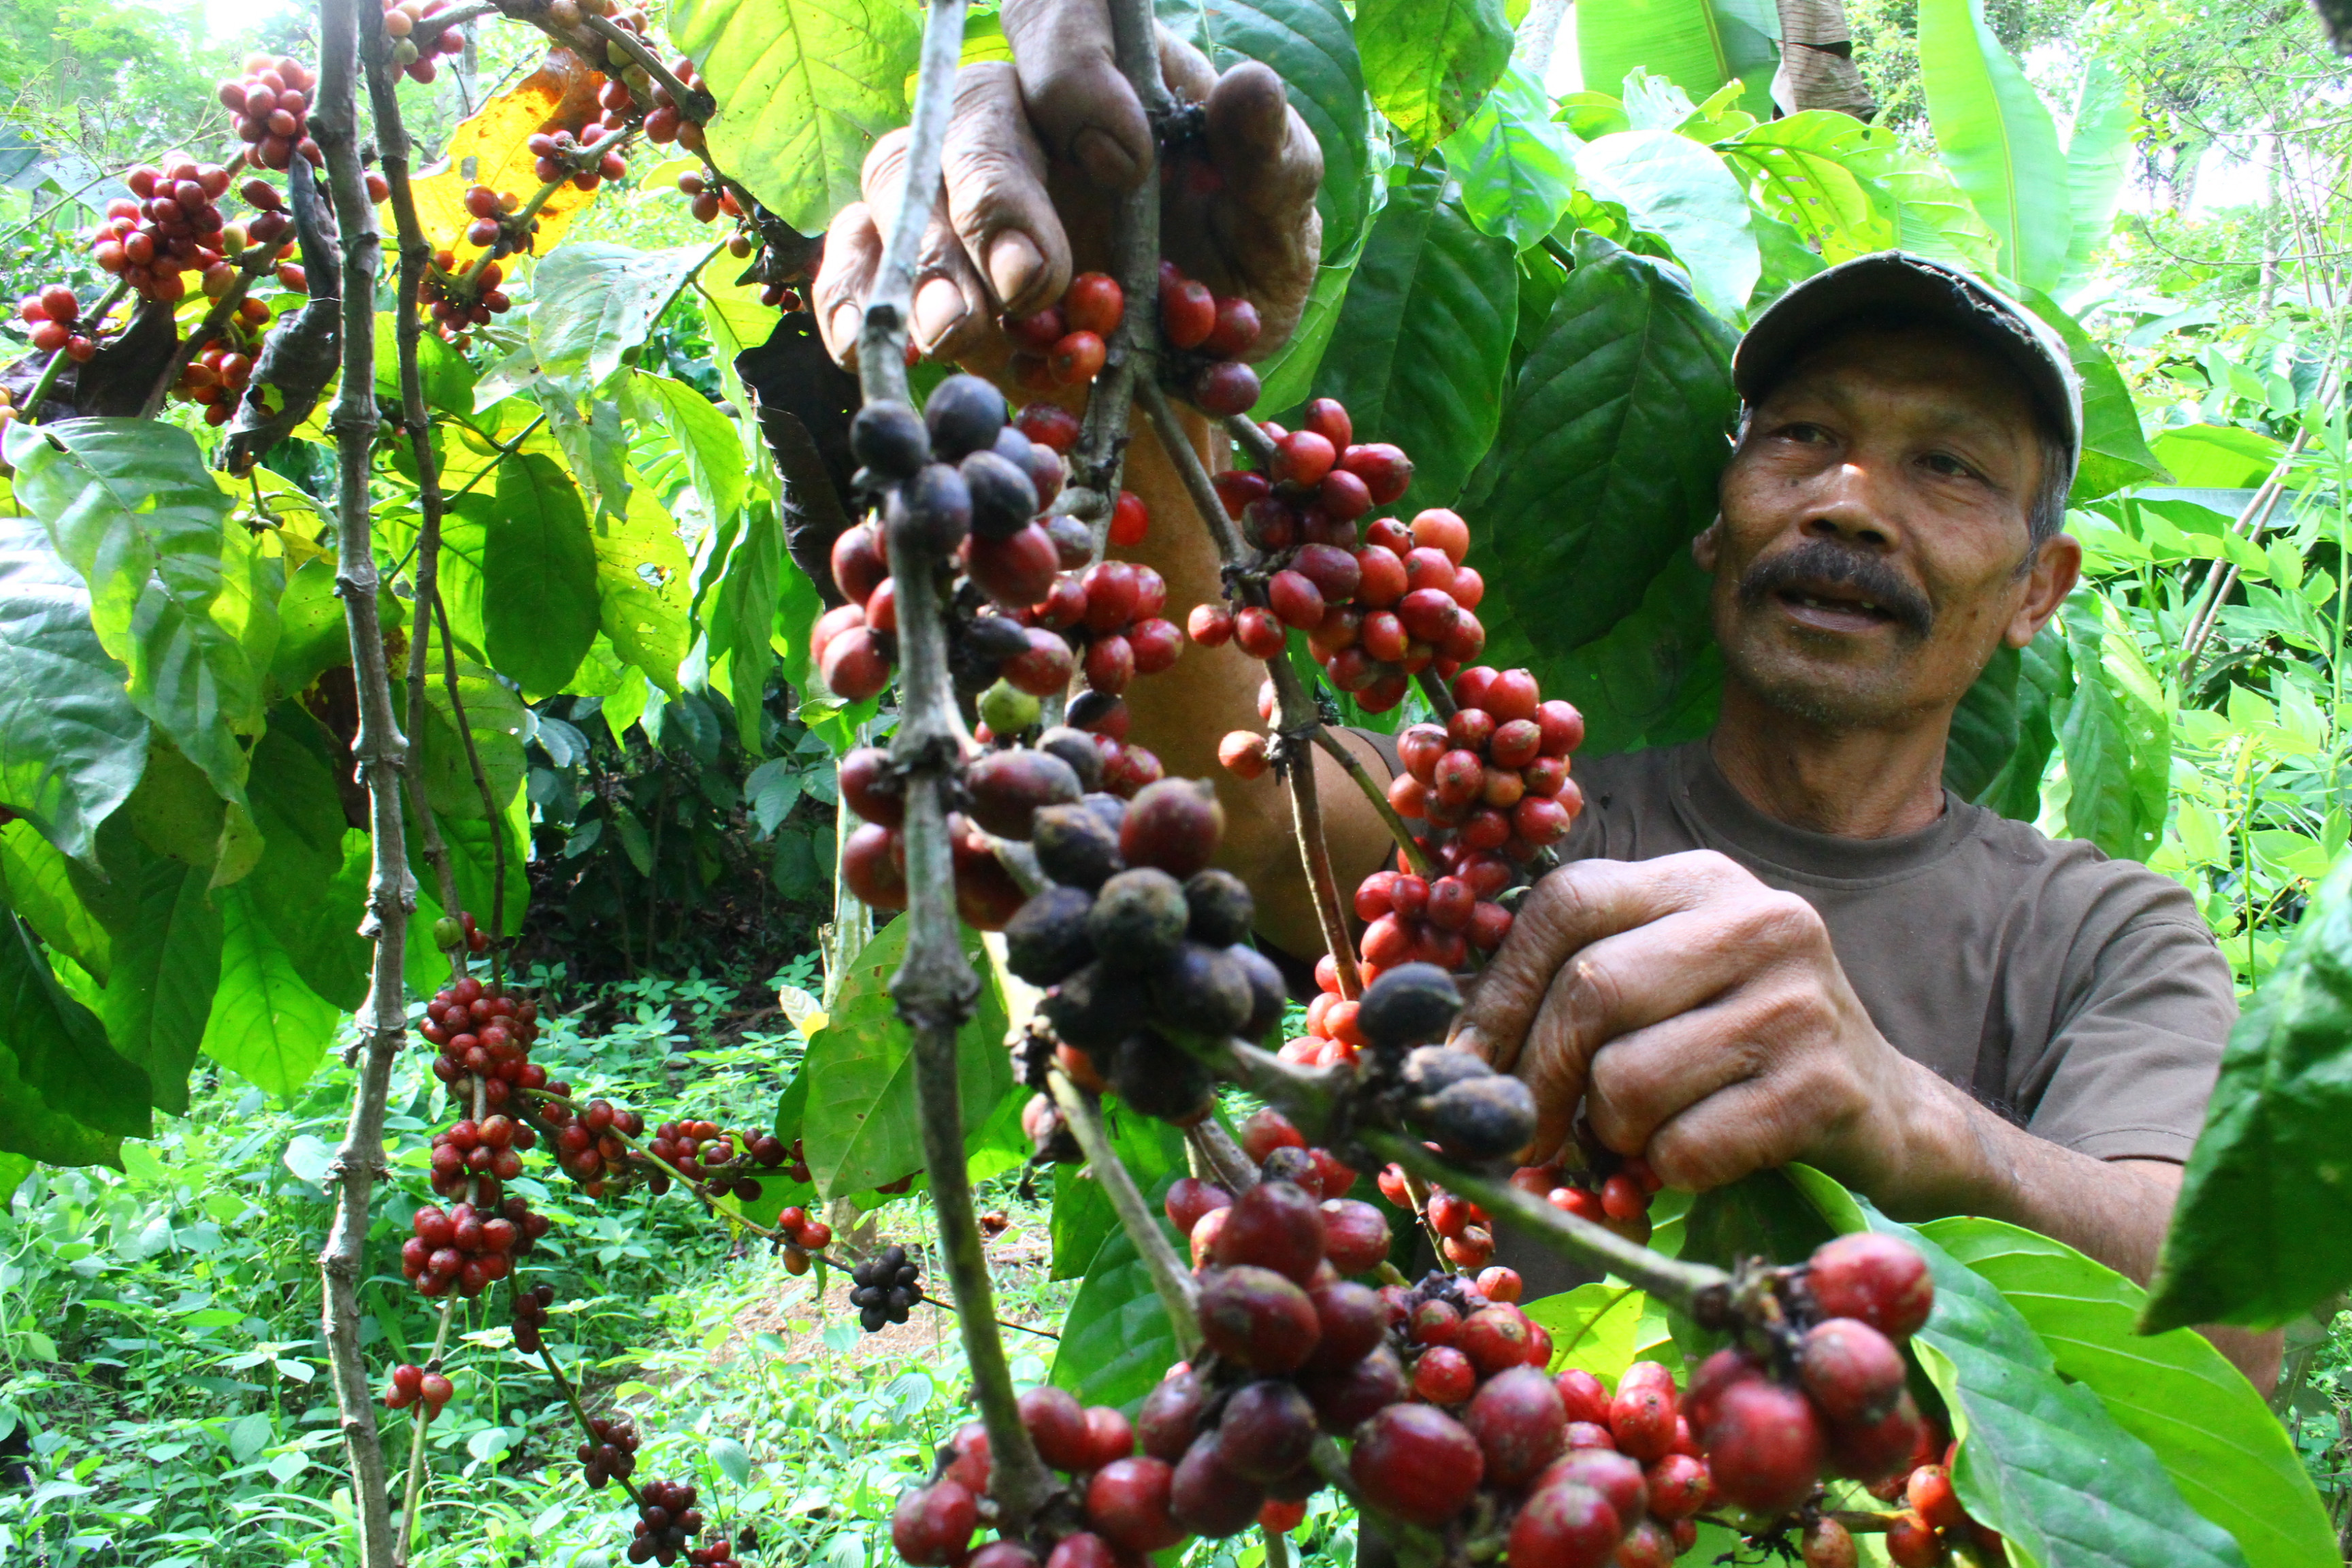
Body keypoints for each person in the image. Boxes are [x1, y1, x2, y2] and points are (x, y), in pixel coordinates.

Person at [811, 0, 2277, 1385]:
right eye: (1803, 439)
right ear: (1712, 528)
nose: (1847, 498)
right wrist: (1141, 333)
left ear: (2040, 589)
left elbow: (2229, 1345)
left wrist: (1908, 1118)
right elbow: (1213, 816)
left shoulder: (2101, 934)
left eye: (1946, 466)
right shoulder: (1511, 826)